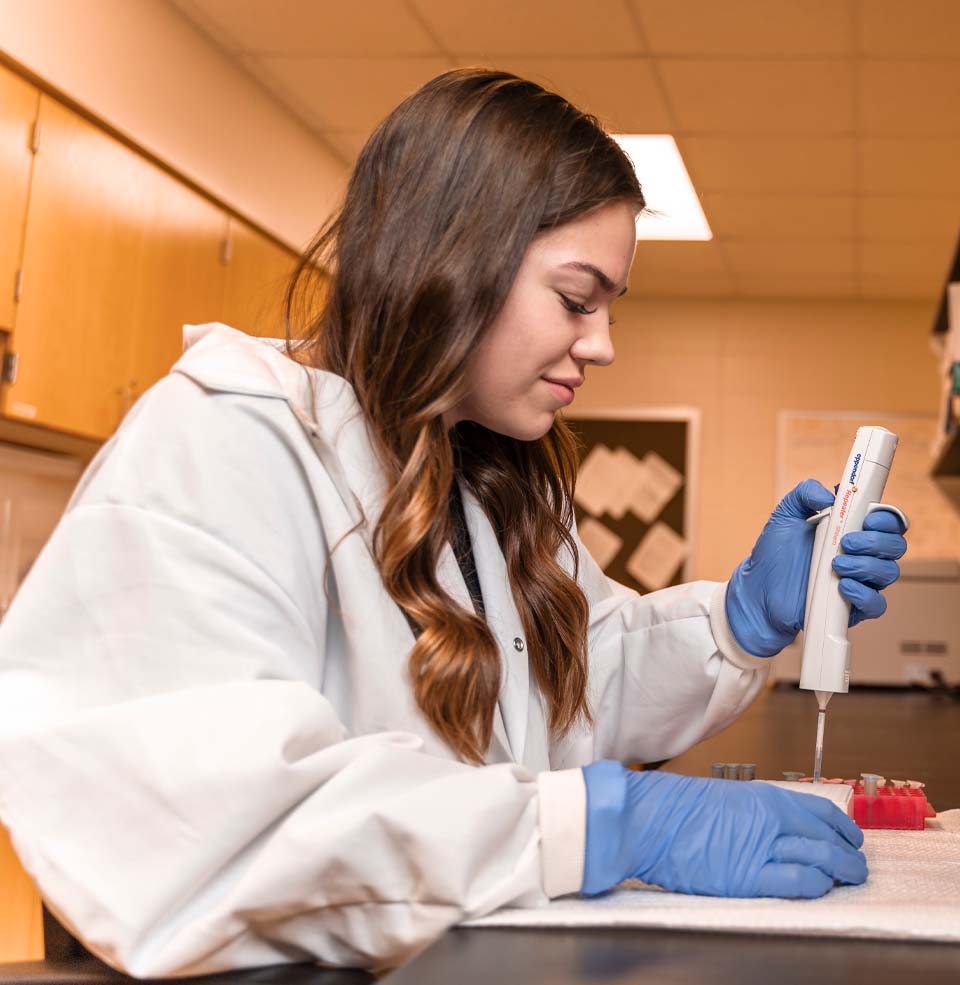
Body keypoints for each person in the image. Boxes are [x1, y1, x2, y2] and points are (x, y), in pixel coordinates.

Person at [0, 69, 906, 977]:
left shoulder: (483, 479)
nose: (601, 344)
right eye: (576, 299)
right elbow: (211, 818)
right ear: (451, 258)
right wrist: (604, 825)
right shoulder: (224, 438)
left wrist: (739, 620)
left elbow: (572, 686)